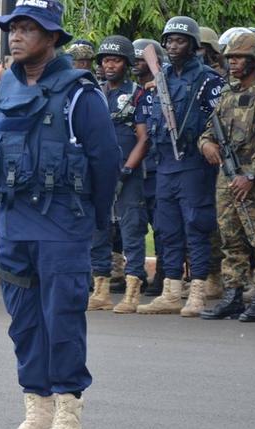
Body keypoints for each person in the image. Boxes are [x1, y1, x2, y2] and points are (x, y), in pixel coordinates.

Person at [0, 0, 117, 427]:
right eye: (14, 27)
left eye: (28, 28)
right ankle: (36, 405)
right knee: (24, 322)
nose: (17, 36)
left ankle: (67, 407)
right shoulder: (6, 86)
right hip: (14, 223)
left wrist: (95, 223)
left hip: (64, 222)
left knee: (61, 318)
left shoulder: (81, 93)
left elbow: (105, 161)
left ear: (52, 37)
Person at [136, 16, 224, 317]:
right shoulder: (162, 79)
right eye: (170, 41)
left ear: (193, 45)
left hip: (193, 162)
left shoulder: (208, 79)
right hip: (165, 163)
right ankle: (171, 291)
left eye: (180, 40)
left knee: (197, 226)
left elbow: (218, 122)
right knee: (167, 229)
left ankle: (197, 290)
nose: (173, 46)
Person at [197, 32, 255, 322]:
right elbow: (210, 129)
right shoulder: (227, 93)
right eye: (230, 57)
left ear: (254, 60)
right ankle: (233, 295)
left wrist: (250, 175)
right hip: (227, 177)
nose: (232, 62)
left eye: (239, 58)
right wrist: (206, 144)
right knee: (230, 238)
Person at [87, 35, 149, 313]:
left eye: (115, 60)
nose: (109, 65)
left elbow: (144, 138)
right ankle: (100, 289)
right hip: (98, 173)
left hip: (128, 173)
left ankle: (132, 291)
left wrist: (126, 171)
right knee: (98, 230)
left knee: (131, 228)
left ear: (127, 63)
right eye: (105, 60)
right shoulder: (96, 92)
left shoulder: (137, 94)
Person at [132, 38, 166, 297]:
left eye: (141, 59)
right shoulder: (133, 92)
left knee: (162, 225)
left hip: (157, 166)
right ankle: (135, 274)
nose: (136, 63)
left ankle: (165, 274)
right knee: (135, 224)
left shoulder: (160, 90)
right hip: (137, 168)